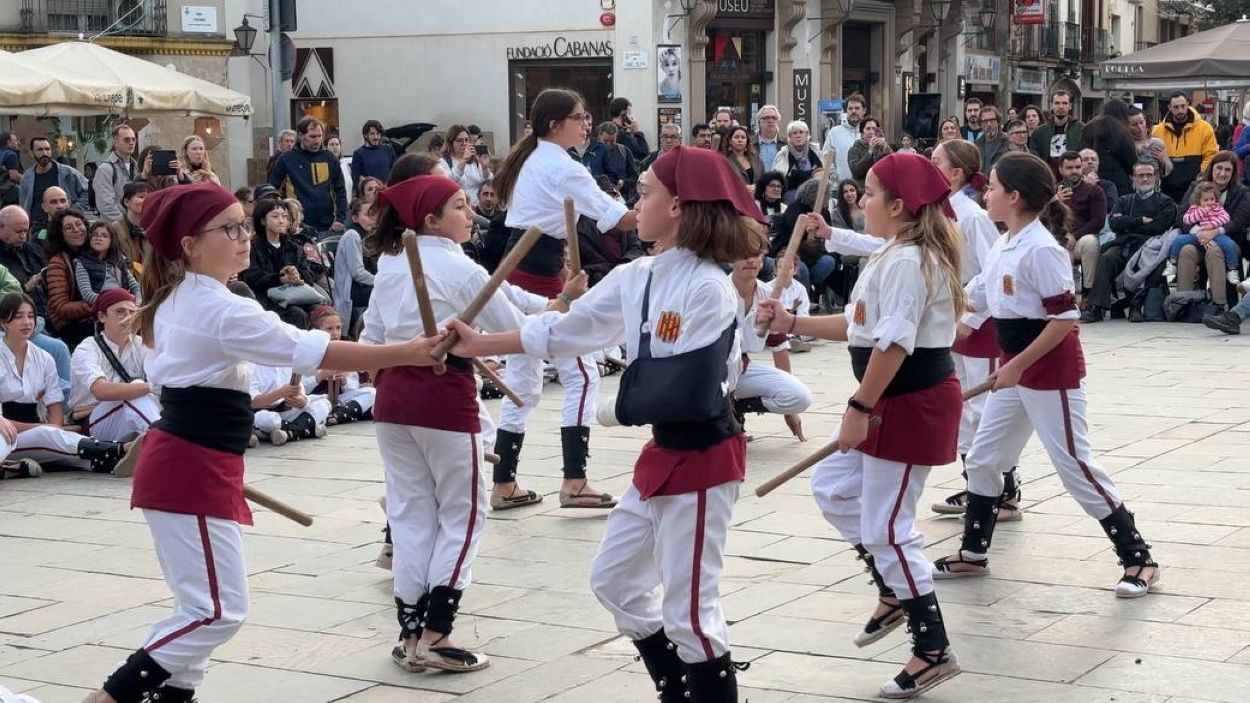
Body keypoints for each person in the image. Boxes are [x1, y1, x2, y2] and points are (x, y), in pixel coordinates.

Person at [78, 182, 444, 703]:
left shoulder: (182, 300)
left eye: (243, 224)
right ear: (189, 244)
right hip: (188, 466)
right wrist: (407, 352)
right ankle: (112, 696)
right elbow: (312, 351)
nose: (244, 236)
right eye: (229, 228)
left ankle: (168, 697)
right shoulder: (216, 308)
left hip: (192, 461)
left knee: (198, 608)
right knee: (216, 611)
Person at [453, 144, 765, 701]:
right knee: (615, 580)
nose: (634, 203)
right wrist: (483, 341)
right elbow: (570, 328)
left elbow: (683, 390)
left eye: (646, 193)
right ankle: (676, 687)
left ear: (679, 206)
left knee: (691, 609)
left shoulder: (709, 286)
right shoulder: (639, 273)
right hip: (663, 455)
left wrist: (611, 409)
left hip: (703, 457)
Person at [761, 152, 965, 699]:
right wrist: (792, 321)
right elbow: (859, 327)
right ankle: (894, 589)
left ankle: (932, 648)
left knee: (888, 529)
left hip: (907, 400)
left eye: (872, 193)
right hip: (889, 398)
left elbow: (894, 344)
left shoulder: (907, 261)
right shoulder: (894, 252)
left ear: (898, 206)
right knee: (833, 488)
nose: (863, 200)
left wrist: (859, 409)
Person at [363, 173, 568, 672]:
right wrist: (563, 308)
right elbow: (514, 331)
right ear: (431, 220)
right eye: (460, 205)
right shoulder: (458, 269)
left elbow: (369, 337)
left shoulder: (391, 265)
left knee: (412, 515)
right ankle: (437, 633)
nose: (471, 213)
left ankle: (410, 634)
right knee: (463, 514)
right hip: (442, 398)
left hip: (392, 400)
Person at [932, 152, 1161, 600]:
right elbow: (975, 296)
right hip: (1015, 369)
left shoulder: (1042, 249)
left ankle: (1139, 558)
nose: (987, 193)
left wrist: (1015, 366)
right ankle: (972, 555)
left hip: (1050, 372)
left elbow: (1064, 320)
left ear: (1014, 197)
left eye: (993, 187)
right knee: (982, 459)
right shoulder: (1005, 243)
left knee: (1074, 465)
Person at [490, 88, 638, 511]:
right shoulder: (562, 166)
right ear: (555, 124)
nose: (586, 124)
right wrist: (667, 208)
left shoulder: (534, 156)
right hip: (534, 278)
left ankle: (504, 483)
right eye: (578, 116)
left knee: (523, 382)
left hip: (525, 267)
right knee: (582, 374)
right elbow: (614, 217)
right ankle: (574, 481)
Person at [927, 140, 1020, 521]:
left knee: (981, 408)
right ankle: (976, 486)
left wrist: (971, 318)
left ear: (956, 173)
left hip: (977, 323)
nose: (929, 166)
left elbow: (990, 272)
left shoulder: (972, 216)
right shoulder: (936, 212)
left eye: (936, 162)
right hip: (954, 317)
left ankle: (1005, 492)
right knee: (964, 406)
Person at [0, 292, 137, 473]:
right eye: (18, 317)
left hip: (34, 436)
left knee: (65, 451)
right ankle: (120, 449)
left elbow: (55, 414)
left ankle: (118, 462)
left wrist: (50, 428)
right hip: (6, 434)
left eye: (31, 316)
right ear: (3, 322)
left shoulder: (44, 359)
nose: (26, 322)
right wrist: (42, 427)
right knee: (47, 436)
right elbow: (7, 425)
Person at [728, 253, 812, 440]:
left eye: (755, 254)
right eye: (743, 252)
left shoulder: (769, 296)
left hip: (741, 367)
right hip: (710, 375)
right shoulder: (717, 291)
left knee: (798, 396)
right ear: (730, 256)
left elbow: (779, 345)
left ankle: (737, 408)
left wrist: (789, 411)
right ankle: (722, 413)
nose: (750, 260)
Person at [1082, 162, 1178, 323]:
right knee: (1108, 258)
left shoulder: (1166, 202)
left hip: (1150, 246)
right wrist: (1141, 221)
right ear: (1133, 178)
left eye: (1149, 175)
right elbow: (1113, 224)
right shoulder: (1124, 200)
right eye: (1140, 175)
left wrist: (1127, 222)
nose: (1145, 179)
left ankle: (1136, 306)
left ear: (1155, 177)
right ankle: (1096, 307)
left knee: (1146, 260)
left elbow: (1158, 227)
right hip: (1123, 244)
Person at [68, 289, 160, 443]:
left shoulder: (140, 344)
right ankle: (164, 440)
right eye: (120, 312)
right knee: (137, 389)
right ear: (102, 317)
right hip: (93, 426)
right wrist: (152, 386)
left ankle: (162, 438)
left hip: (131, 417)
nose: (128, 318)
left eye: (132, 312)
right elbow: (100, 390)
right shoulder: (87, 348)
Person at [1172, 153, 1250, 305]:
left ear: (1233, 172)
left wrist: (1215, 232)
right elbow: (1181, 217)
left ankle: (1218, 304)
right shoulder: (1196, 187)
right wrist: (1200, 233)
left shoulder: (1242, 193)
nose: (1222, 173)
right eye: (1219, 168)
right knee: (1187, 250)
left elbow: (1238, 222)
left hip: (1229, 242)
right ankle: (1182, 303)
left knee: (1215, 251)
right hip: (1198, 239)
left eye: (1227, 170)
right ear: (1211, 168)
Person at [243, 199, 319, 329]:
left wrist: (298, 275)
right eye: (275, 216)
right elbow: (251, 276)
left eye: (284, 216)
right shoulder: (253, 247)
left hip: (296, 295)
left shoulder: (294, 248)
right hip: (267, 299)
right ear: (262, 221)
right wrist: (279, 278)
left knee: (321, 312)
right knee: (297, 314)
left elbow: (310, 274)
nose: (281, 220)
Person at [268, 116, 349, 235]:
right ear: (300, 136)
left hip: (327, 226)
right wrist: (284, 216)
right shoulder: (287, 159)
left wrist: (340, 218)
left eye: (320, 136)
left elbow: (340, 190)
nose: (317, 140)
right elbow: (271, 189)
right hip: (297, 227)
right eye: (312, 136)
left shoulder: (329, 158)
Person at [305, 305, 374, 424]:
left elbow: (352, 389)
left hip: (340, 401)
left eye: (338, 328)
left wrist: (344, 381)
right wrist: (320, 376)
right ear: (317, 331)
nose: (335, 333)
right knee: (318, 405)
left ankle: (338, 416)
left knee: (372, 393)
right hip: (319, 398)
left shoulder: (345, 350)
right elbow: (300, 389)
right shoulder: (308, 352)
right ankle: (329, 416)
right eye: (329, 329)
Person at [1057, 151, 1109, 297]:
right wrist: (1055, 202)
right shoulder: (1053, 191)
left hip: (1082, 239)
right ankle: (1065, 297)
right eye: (1070, 168)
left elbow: (1098, 221)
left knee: (1090, 243)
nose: (1075, 171)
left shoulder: (1094, 191)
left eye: (1078, 167)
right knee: (1060, 251)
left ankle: (1088, 294)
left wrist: (1075, 236)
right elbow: (1041, 220)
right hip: (1059, 240)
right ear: (1060, 170)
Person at [1152, 91, 1219, 204]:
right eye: (1176, 107)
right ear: (1169, 107)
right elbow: (1152, 159)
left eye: (1183, 106)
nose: (1180, 110)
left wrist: (1200, 177)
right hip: (1166, 187)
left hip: (1194, 186)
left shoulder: (1205, 128)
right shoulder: (1157, 131)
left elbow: (1211, 155)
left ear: (1188, 104)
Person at [44, 208, 96, 347]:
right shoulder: (58, 262)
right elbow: (61, 308)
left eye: (79, 224)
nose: (77, 230)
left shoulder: (97, 252)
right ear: (61, 235)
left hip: (103, 315)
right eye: (68, 228)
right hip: (74, 324)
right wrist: (98, 305)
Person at [1167, 181, 1236, 285]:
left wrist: (1213, 224)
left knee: (1230, 245)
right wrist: (1201, 212)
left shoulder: (1217, 207)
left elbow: (1226, 218)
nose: (1209, 202)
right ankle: (1172, 263)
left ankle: (1232, 269)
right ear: (1198, 200)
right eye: (1205, 200)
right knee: (1178, 240)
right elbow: (1187, 220)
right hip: (1198, 235)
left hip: (1216, 235)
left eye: (1212, 199)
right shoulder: (1194, 208)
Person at [250, 360, 330, 444]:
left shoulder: (288, 363)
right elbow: (253, 403)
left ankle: (289, 433)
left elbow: (301, 393)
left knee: (323, 405)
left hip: (289, 411)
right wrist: (280, 393)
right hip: (267, 413)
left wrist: (301, 402)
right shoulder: (253, 365)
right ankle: (306, 429)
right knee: (264, 419)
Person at [19, 137, 88, 230]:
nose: (44, 153)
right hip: (36, 229)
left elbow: (88, 191)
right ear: (32, 153)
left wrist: (74, 210)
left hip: (64, 227)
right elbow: (23, 205)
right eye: (40, 150)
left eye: (47, 149)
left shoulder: (68, 173)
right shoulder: (26, 178)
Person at [333, 198, 377, 334]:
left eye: (374, 214)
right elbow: (358, 273)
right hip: (352, 291)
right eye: (367, 215)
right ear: (355, 218)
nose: (372, 219)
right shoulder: (352, 236)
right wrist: (381, 281)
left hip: (363, 286)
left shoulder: (369, 237)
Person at [74, 222, 142, 307]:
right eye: (95, 235)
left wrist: (137, 302)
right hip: (103, 308)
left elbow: (135, 286)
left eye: (104, 236)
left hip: (126, 304)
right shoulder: (82, 263)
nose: (99, 238)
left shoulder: (118, 261)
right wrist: (119, 301)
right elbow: (87, 294)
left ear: (111, 241)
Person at [1080, 98, 1138, 195]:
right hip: (1119, 183)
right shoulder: (1121, 131)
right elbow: (1131, 162)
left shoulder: (1088, 128)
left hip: (1093, 179)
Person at [1029, 90, 1084, 176]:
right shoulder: (1040, 132)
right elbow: (1034, 157)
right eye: (1057, 103)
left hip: (1073, 176)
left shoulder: (1081, 129)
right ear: (1051, 106)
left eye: (1065, 103)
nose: (1061, 107)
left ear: (1070, 106)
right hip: (1047, 178)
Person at [94, 124, 140, 223]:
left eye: (133, 139)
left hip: (134, 226)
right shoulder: (105, 169)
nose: (131, 143)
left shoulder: (137, 167)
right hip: (114, 228)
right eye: (126, 140)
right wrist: (126, 224)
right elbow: (106, 206)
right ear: (115, 142)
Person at [585, 122, 640, 204]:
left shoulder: (624, 151)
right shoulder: (591, 152)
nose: (608, 145)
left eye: (612, 141)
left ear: (616, 137)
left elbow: (634, 176)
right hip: (598, 198)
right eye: (605, 141)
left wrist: (623, 183)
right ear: (599, 136)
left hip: (621, 198)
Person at [774, 120, 824, 204]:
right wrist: (811, 173)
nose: (798, 136)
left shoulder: (816, 152)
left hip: (814, 199)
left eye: (801, 132)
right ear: (790, 137)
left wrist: (795, 174)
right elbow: (780, 178)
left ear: (807, 135)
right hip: (790, 200)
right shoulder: (782, 154)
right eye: (794, 133)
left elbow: (823, 175)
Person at [442, 124, 492, 206]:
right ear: (451, 142)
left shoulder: (475, 160)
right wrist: (464, 160)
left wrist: (485, 167)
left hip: (478, 208)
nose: (464, 143)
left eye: (466, 140)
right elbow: (447, 182)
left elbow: (487, 182)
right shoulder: (445, 161)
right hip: (457, 207)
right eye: (459, 140)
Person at [109, 182, 153, 276]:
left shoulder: (155, 229)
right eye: (141, 197)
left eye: (150, 197)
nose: (147, 201)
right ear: (126, 202)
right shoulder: (114, 229)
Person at [823, 93, 866, 183]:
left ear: (864, 110)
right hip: (842, 187)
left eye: (857, 108)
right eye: (850, 108)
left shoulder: (869, 131)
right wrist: (834, 176)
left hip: (866, 187)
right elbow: (826, 157)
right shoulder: (835, 132)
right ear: (846, 111)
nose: (853, 111)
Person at [351, 119, 399, 190]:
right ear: (366, 135)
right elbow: (356, 180)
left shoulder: (388, 150)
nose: (376, 137)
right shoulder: (358, 154)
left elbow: (395, 172)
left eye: (378, 134)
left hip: (387, 191)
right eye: (372, 134)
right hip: (370, 195)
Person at [1128, 106, 1172, 178]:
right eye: (1134, 125)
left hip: (1155, 187)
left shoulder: (1157, 144)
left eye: (1141, 122)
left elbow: (1168, 170)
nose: (1139, 127)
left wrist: (1163, 161)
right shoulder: (1126, 145)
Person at [849, 116, 893, 182]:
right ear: (862, 132)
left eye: (874, 129)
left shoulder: (882, 148)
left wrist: (885, 147)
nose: (871, 132)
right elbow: (856, 171)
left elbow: (894, 164)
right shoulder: (854, 150)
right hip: (863, 188)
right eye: (868, 129)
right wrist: (870, 151)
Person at [610, 97, 651, 162]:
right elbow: (644, 154)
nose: (631, 117)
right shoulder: (622, 135)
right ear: (623, 113)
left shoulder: (609, 129)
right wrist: (637, 132)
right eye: (629, 113)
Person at [975, 105, 1009, 172]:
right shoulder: (976, 145)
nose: (989, 124)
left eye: (992, 120)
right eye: (985, 121)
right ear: (980, 124)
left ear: (997, 122)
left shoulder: (1008, 140)